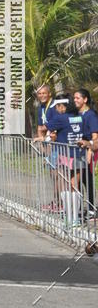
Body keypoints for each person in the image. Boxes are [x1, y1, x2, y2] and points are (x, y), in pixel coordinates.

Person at [45, 97, 83, 208]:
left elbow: (45, 127)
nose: (56, 110)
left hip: (65, 155)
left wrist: (45, 137)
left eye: (57, 107)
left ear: (62, 106)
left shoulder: (61, 118)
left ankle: (67, 210)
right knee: (74, 184)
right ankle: (75, 213)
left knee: (63, 182)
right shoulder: (80, 118)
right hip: (80, 154)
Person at [73, 88, 98, 217]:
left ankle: (92, 208)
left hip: (90, 152)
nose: (75, 100)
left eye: (77, 98)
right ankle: (84, 206)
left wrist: (90, 149)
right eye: (74, 98)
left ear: (85, 99)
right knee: (80, 179)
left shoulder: (91, 115)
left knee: (87, 180)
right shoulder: (77, 115)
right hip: (78, 152)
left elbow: (95, 138)